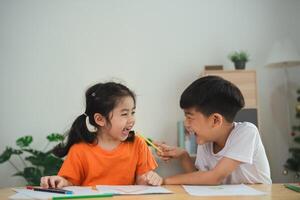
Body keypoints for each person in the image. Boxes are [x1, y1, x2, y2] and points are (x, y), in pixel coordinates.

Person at [41, 82, 162, 188]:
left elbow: (142, 182)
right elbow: (69, 183)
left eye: (133, 112)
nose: (132, 120)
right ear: (100, 119)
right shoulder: (80, 150)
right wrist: (60, 182)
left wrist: (150, 179)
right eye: (125, 114)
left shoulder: (138, 144)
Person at [156, 76, 272, 185]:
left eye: (190, 117)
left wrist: (165, 181)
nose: (186, 123)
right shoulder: (205, 140)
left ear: (215, 120)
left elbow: (214, 177)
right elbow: (201, 178)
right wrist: (183, 156)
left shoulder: (247, 132)